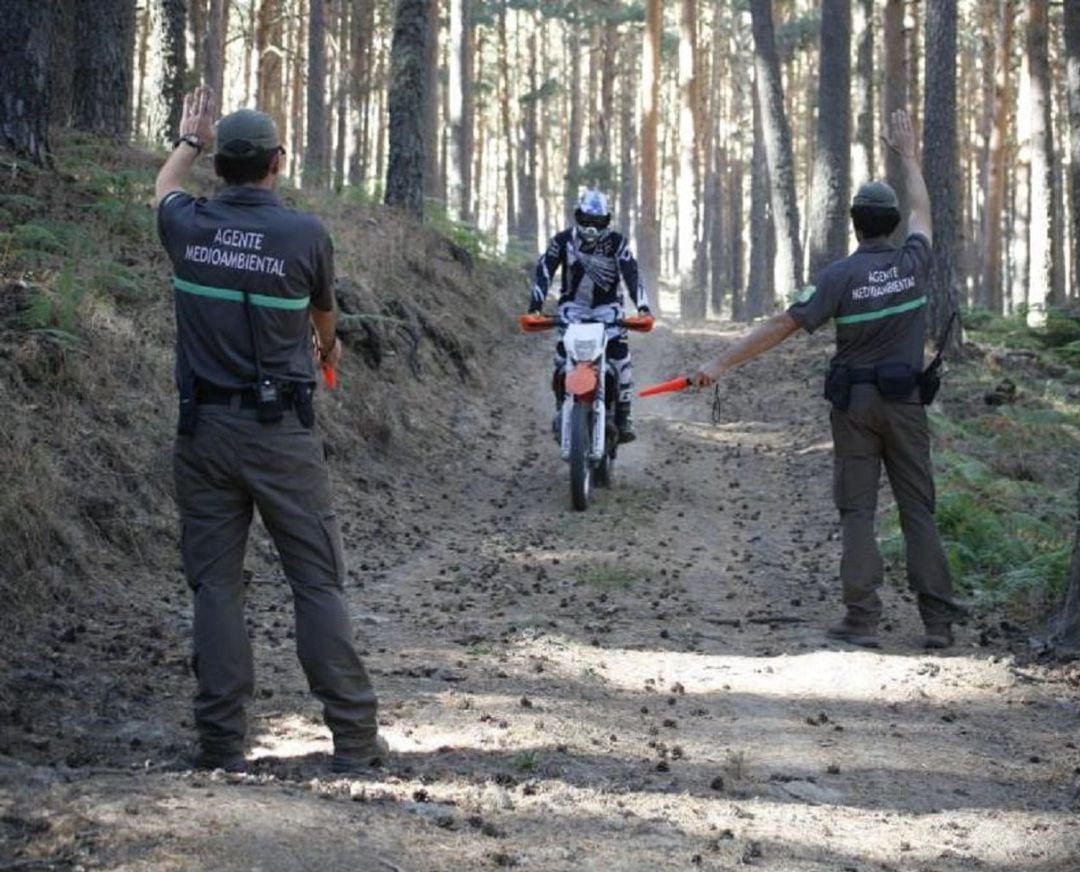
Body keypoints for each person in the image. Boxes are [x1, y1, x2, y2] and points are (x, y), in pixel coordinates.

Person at [154, 86, 385, 772]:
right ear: (277, 162)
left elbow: (163, 185)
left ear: (221, 163)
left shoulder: (187, 225)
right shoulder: (306, 235)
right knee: (316, 583)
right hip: (282, 434)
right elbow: (323, 320)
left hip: (203, 431)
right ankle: (353, 742)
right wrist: (329, 347)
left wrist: (189, 139)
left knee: (216, 588)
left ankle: (221, 744)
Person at [691, 109, 964, 650]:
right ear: (891, 223)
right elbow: (925, 214)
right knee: (918, 511)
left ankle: (862, 619)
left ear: (854, 223)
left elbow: (782, 325)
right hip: (906, 404)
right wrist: (909, 156)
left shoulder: (838, 277)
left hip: (855, 407)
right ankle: (938, 625)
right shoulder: (914, 262)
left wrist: (719, 366)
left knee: (858, 510)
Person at [529, 189, 652, 442]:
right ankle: (562, 405)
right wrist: (535, 307)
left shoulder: (617, 243)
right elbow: (544, 270)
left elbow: (632, 274)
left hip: (609, 313)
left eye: (597, 223)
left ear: (606, 221)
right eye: (586, 221)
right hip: (572, 311)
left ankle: (624, 415)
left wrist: (643, 309)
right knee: (562, 359)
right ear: (577, 217)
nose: (591, 228)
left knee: (620, 357)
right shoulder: (562, 241)